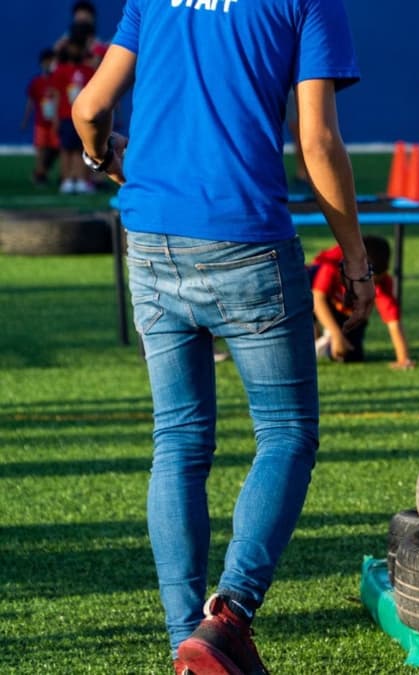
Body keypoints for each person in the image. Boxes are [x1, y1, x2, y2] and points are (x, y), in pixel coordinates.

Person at [71, 0, 371, 671]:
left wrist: (103, 158)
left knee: (178, 441)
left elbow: (89, 107)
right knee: (287, 433)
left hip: (150, 237)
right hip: (247, 242)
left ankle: (187, 635)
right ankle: (230, 614)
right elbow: (317, 140)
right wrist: (354, 256)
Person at [311, 235, 414, 369]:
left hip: (349, 312)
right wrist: (337, 335)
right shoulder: (333, 263)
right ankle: (315, 335)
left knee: (350, 355)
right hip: (315, 299)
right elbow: (318, 298)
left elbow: (393, 322)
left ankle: (326, 343)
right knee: (302, 303)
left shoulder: (380, 283)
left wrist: (403, 359)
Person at [51, 40, 95, 194]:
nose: (76, 50)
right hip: (65, 115)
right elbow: (56, 95)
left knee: (82, 149)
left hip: (83, 116)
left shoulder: (88, 70)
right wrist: (55, 117)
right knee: (66, 149)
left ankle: (81, 180)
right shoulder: (60, 71)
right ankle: (67, 180)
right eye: (73, 47)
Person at [22, 49, 60, 187]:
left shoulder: (57, 79)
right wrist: (25, 121)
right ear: (42, 63)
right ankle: (39, 174)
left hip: (56, 122)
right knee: (41, 149)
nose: (50, 64)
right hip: (41, 123)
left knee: (57, 149)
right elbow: (31, 102)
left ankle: (56, 173)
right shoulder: (36, 82)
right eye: (48, 61)